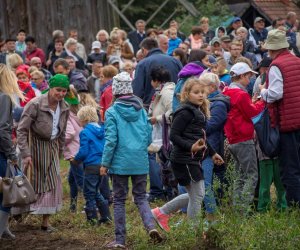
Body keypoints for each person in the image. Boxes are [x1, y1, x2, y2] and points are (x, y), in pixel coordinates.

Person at [151, 79, 224, 232]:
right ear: (186, 94)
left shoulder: (198, 112)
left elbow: (201, 137)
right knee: (197, 196)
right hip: (184, 160)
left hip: (192, 159)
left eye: (203, 92)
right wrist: (190, 146)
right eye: (196, 92)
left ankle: (160, 212)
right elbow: (174, 136)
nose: (200, 95)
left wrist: (213, 153)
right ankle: (193, 230)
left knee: (196, 195)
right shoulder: (185, 112)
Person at [100, 72, 162, 248]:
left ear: (115, 91)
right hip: (140, 160)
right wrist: (139, 148)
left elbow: (111, 140)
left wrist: (105, 163)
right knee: (141, 197)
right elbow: (148, 137)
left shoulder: (112, 112)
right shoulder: (141, 110)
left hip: (120, 163)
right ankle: (150, 226)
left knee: (119, 200)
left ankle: (120, 240)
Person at [17, 74, 70, 232]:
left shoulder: (64, 106)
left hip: (52, 147)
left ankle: (45, 222)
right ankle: (18, 214)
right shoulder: (35, 104)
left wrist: (60, 151)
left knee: (52, 182)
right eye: (58, 90)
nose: (60, 94)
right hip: (35, 148)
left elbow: (62, 131)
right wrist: (26, 153)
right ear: (50, 88)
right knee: (29, 183)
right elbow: (21, 130)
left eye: (64, 91)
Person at [260, 29, 300, 205]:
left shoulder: (276, 66)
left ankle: (295, 207)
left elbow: (275, 94)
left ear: (271, 50)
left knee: (290, 169)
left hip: (287, 124)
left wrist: (262, 92)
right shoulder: (298, 61)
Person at [223, 62, 264, 213]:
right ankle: (243, 210)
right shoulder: (241, 94)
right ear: (241, 76)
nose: (250, 80)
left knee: (239, 176)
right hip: (243, 138)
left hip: (232, 139)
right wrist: (262, 99)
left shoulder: (227, 91)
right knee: (252, 175)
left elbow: (241, 110)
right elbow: (253, 113)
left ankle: (236, 208)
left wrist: (251, 103)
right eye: (248, 76)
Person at [72, 105, 111, 224]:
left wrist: (76, 160)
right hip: (102, 165)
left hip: (91, 166)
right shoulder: (103, 130)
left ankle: (91, 220)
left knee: (89, 193)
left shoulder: (85, 132)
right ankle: (105, 216)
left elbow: (84, 151)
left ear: (84, 120)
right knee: (96, 192)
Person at [199, 72, 230, 216]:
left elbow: (210, 126)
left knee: (207, 183)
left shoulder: (219, 104)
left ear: (211, 87)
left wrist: (193, 124)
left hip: (211, 149)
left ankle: (212, 215)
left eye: (202, 86)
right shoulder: (205, 102)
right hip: (201, 146)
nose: (199, 89)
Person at [0, 64, 24, 239]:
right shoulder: (4, 98)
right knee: (7, 191)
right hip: (1, 151)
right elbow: (2, 129)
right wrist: (11, 154)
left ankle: (5, 228)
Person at [147, 66, 175, 202]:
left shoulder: (167, 93)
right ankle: (169, 194)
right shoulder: (163, 91)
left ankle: (173, 196)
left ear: (156, 80)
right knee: (165, 167)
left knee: (169, 168)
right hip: (163, 137)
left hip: (168, 138)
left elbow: (172, 113)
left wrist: (156, 118)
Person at [132, 38, 182, 109]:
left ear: (143, 49)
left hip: (151, 107)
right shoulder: (175, 61)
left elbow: (137, 90)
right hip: (175, 106)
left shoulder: (142, 64)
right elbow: (182, 83)